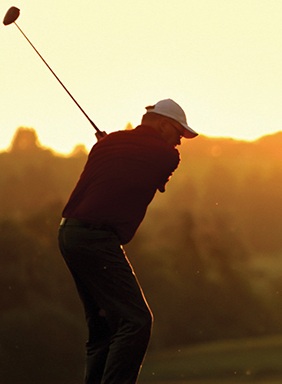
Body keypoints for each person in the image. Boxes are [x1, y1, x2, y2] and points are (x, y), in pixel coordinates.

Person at [58, 99, 198, 384]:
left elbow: (122, 159)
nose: (179, 143)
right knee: (137, 323)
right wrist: (116, 144)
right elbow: (154, 172)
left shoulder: (106, 145)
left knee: (102, 328)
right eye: (178, 134)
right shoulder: (166, 155)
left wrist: (111, 143)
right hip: (97, 239)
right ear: (162, 124)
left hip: (69, 234)